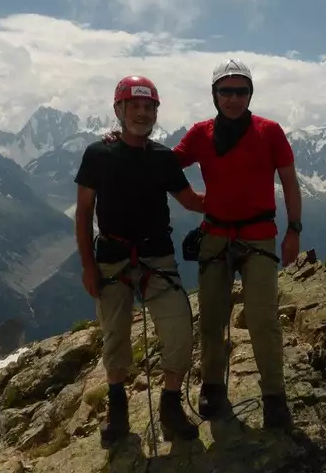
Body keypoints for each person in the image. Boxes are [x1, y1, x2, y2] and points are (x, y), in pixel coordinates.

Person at [104, 59, 303, 430]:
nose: (233, 98)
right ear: (215, 95)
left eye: (240, 91)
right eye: (225, 91)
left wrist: (294, 229)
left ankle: (274, 395)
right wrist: (123, 141)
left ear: (250, 94)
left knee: (262, 320)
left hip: (258, 234)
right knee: (211, 319)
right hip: (217, 234)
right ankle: (212, 385)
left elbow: (290, 182)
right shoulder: (201, 134)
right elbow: (160, 163)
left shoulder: (270, 132)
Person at [74, 75, 206, 446]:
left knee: (179, 328)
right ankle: (117, 410)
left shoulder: (162, 158)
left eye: (149, 108)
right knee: (115, 335)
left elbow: (190, 200)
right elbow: (84, 214)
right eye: (136, 106)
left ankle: (169, 404)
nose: (144, 113)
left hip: (155, 256)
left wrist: (235, 200)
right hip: (112, 259)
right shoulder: (98, 155)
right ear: (119, 110)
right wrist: (88, 267)